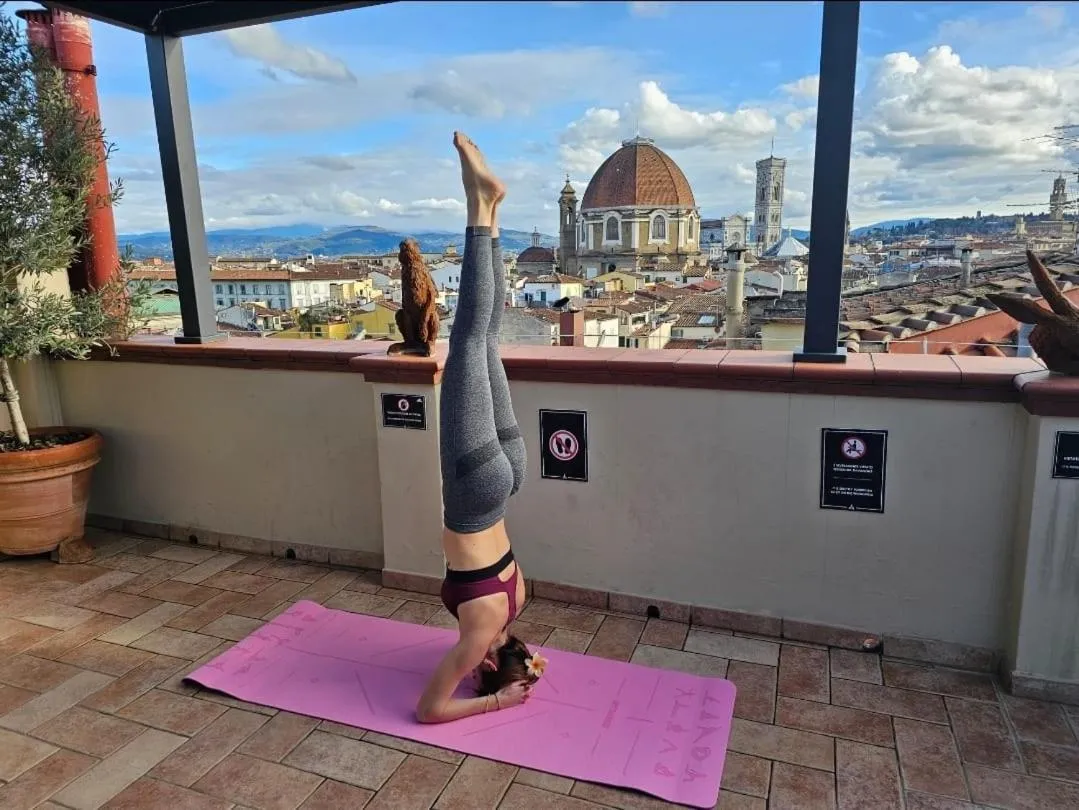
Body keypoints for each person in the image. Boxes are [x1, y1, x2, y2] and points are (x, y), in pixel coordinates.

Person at [416, 132, 545, 724]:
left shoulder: (517, 605)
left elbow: (511, 652)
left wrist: (520, 667)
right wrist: (493, 698)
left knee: (486, 339)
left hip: (509, 480)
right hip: (475, 493)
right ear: (486, 666)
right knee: (469, 339)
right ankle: (478, 205)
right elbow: (429, 710)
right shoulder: (481, 635)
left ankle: (491, 209)